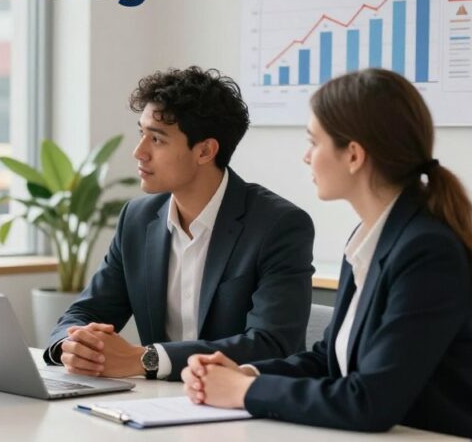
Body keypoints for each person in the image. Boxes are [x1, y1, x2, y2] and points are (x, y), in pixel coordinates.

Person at [182, 68, 472, 442]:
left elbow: (371, 400)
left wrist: (246, 391)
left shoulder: (426, 251)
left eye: (314, 141)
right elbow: (331, 358)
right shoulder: (369, 238)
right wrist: (245, 371)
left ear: (354, 155)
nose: (306, 156)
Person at [46, 66, 315, 381]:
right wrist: (73, 344)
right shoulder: (137, 218)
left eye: (157, 139)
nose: (139, 152)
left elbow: (270, 344)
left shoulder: (278, 225)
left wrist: (146, 359)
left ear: (204, 151)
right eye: (141, 133)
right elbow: (84, 313)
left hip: (243, 409)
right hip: (158, 405)